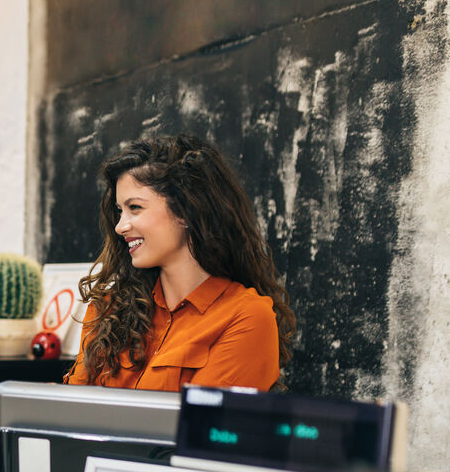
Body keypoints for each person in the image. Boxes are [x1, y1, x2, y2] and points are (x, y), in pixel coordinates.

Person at [65, 134, 295, 392]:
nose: (120, 226)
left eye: (135, 207)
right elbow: (70, 406)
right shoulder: (109, 308)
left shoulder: (245, 318)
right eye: (120, 211)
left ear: (186, 210)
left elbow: (198, 417)